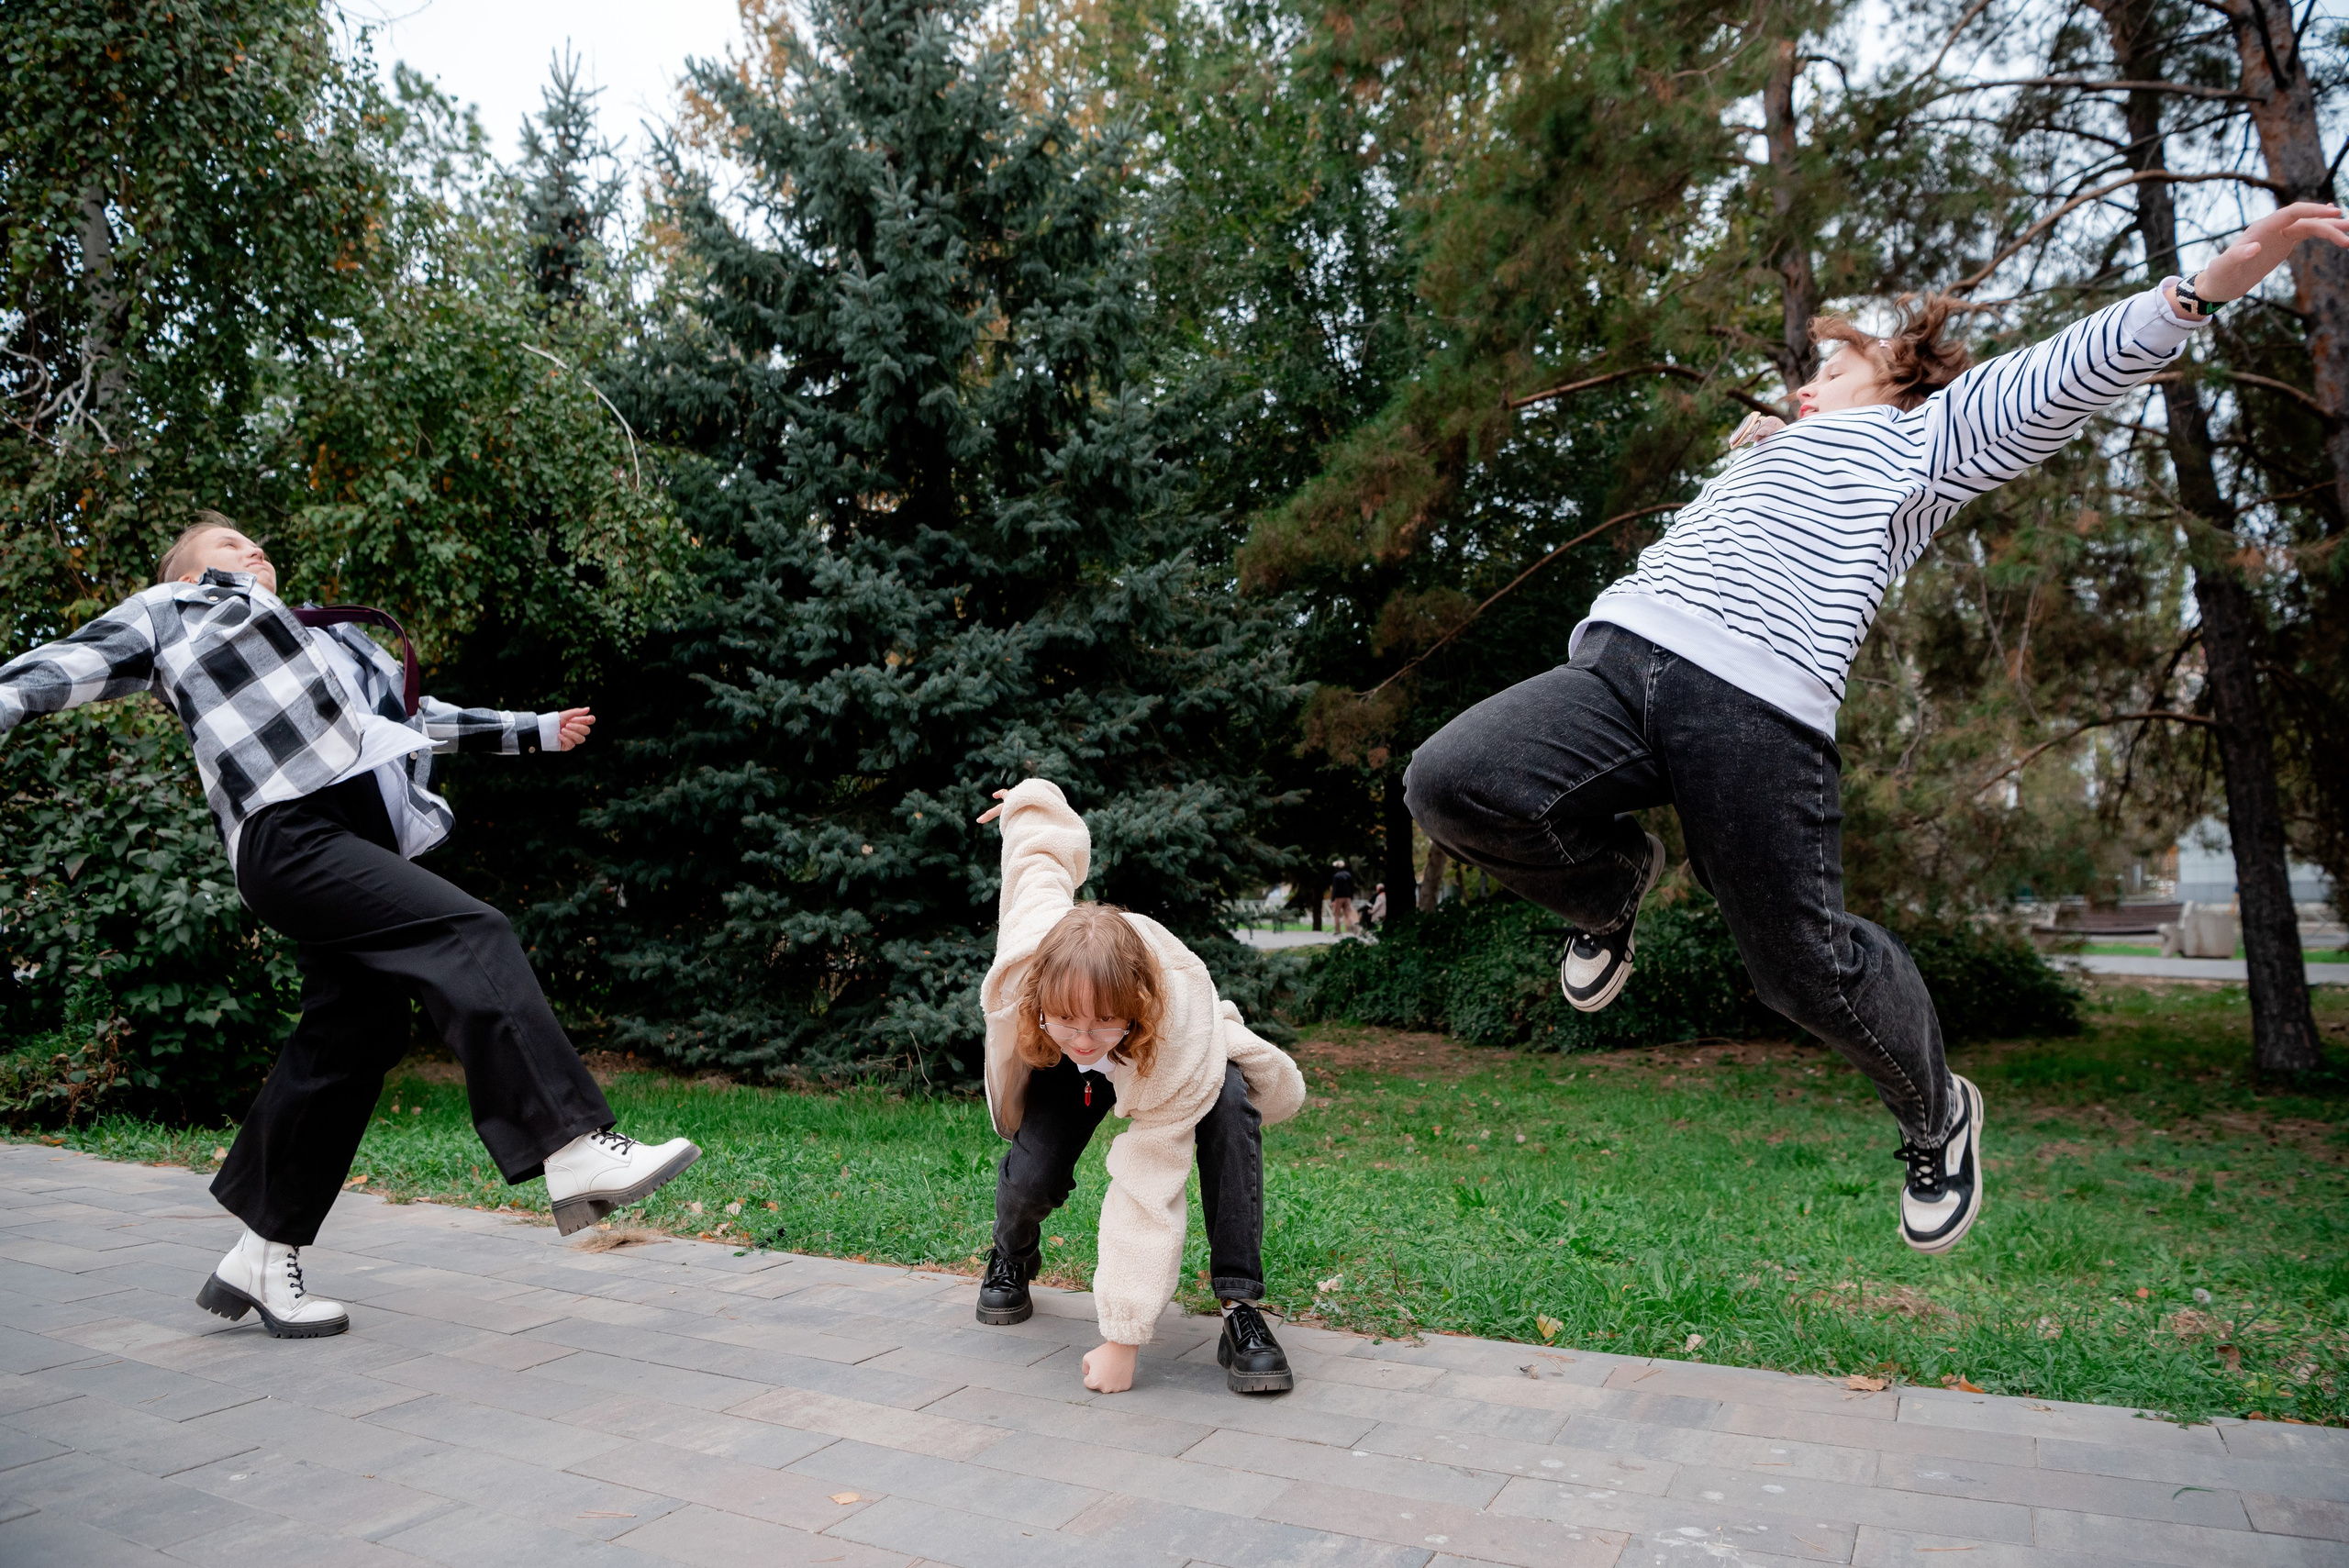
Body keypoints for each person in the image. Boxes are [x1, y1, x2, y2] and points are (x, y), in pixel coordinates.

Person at [1405, 204, 2349, 1259]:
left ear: (1897, 376)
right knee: (1452, 780)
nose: (1802, 384)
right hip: (1622, 658)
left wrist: (2203, 285)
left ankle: (1935, 1108)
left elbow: (2060, 372)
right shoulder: (1767, 452)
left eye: (1829, 369)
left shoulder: (1923, 438)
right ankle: (1608, 887)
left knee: (1797, 964)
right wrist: (1766, 447)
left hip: (1755, 705)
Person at [0, 515, 700, 1338]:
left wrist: (535, 731)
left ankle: (263, 1249)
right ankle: (572, 1142)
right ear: (189, 575)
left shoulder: (327, 644)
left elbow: (419, 716)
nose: (248, 548)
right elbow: (58, 667)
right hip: (289, 833)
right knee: (472, 933)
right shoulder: (175, 612)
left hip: (351, 837)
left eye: (253, 540)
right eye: (225, 545)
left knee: (356, 1032)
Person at [974, 778, 1306, 1394]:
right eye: (1067, 1017)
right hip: (1075, 1081)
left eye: (1102, 1019)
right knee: (1033, 1174)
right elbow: (1036, 866)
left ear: (1138, 1004)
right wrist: (1027, 802)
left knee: (1230, 1105)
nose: (1083, 1036)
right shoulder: (1033, 953)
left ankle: (1240, 1310)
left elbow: (1147, 1190)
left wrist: (1121, 1339)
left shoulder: (1170, 1031)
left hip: (1156, 1060)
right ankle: (1011, 1255)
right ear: (1041, 993)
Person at [1328, 860, 1356, 934]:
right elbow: (1352, 887)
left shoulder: (1336, 876)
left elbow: (1335, 888)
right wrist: (1351, 897)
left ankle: (1337, 930)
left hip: (1339, 897)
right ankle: (1355, 928)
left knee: (1337, 914)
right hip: (1348, 897)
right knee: (1348, 913)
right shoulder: (1349, 875)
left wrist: (1333, 899)